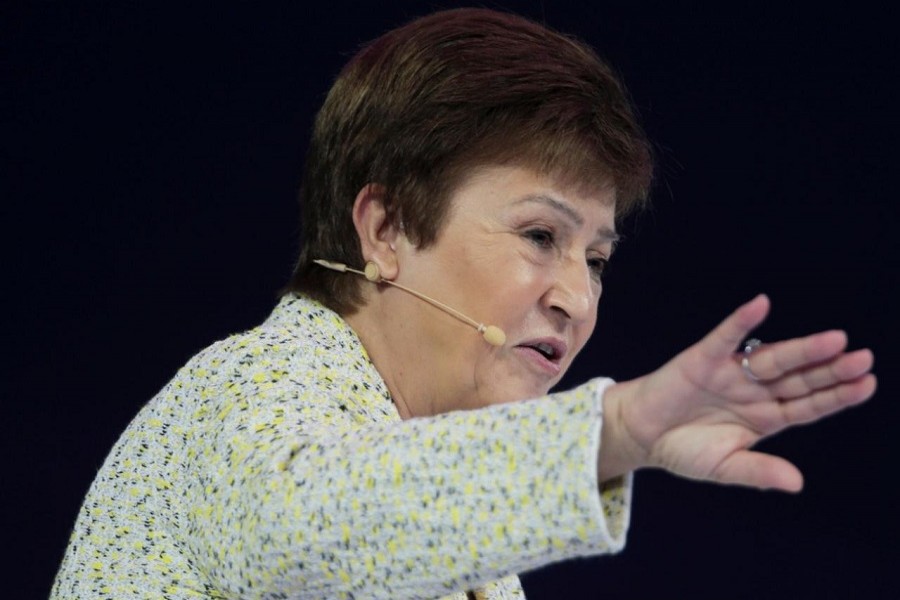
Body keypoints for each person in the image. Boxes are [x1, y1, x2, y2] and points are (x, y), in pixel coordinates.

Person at [50, 8, 876, 599]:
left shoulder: (449, 505)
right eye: (540, 235)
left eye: (596, 259)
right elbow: (302, 532)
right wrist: (613, 432)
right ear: (384, 230)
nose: (577, 298)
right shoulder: (248, 388)